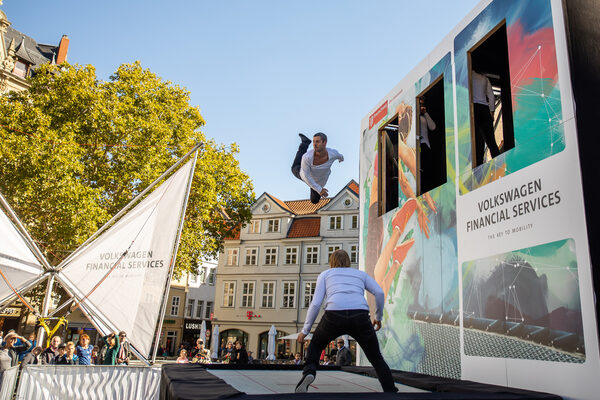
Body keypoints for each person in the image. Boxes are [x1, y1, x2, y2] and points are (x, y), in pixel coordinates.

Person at [295, 250, 397, 393]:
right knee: (376, 357)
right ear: (349, 261)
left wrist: (305, 330)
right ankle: (390, 390)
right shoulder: (360, 274)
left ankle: (309, 372)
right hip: (359, 315)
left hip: (334, 315)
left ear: (332, 262)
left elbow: (316, 304)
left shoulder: (325, 275)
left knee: (316, 345)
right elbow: (379, 293)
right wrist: (378, 317)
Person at [291, 132, 344, 204]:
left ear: (324, 142)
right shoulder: (307, 157)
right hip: (306, 175)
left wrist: (341, 159)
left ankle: (315, 189)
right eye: (314, 141)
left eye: (318, 142)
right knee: (295, 168)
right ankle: (305, 143)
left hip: (320, 182)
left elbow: (340, 156)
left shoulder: (333, 153)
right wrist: (319, 189)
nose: (315, 144)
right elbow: (305, 176)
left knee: (314, 201)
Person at [471, 70, 500, 166]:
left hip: (473, 108)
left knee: (478, 140)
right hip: (485, 109)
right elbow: (491, 96)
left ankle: (478, 166)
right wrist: (491, 111)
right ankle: (498, 163)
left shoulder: (466, 77)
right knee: (491, 140)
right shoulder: (484, 78)